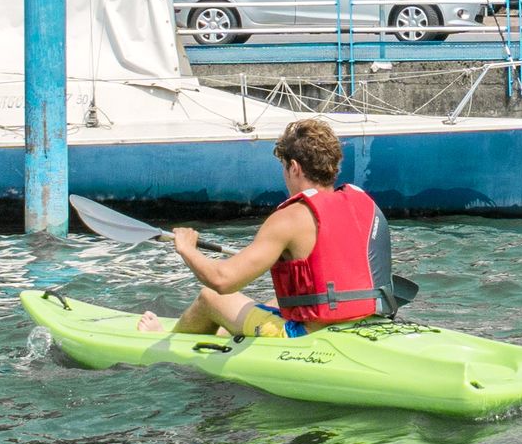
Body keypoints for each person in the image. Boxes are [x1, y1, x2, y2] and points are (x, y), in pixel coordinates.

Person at [147, 117, 393, 341]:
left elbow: (222, 281)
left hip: (309, 334)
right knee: (274, 300)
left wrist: (187, 248)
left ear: (294, 167)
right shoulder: (364, 203)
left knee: (209, 298)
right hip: (369, 320)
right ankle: (223, 329)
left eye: (284, 167)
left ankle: (161, 343)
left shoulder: (290, 217)